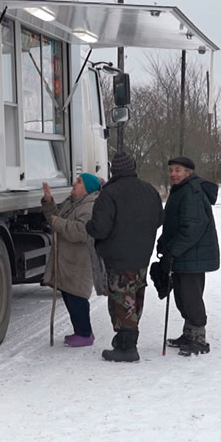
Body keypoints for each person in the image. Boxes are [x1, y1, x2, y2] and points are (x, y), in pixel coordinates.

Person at [85, 151, 163, 362]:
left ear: (114, 170)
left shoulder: (109, 194)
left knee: (122, 300)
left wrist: (89, 226)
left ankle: (127, 348)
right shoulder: (149, 190)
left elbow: (100, 229)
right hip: (141, 256)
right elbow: (159, 219)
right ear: (133, 167)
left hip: (118, 257)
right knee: (136, 297)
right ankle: (124, 340)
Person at [157, 156, 220, 357]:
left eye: (178, 170)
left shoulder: (191, 191)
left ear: (188, 172)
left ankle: (199, 339)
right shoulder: (182, 190)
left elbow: (193, 227)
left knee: (191, 297)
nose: (173, 174)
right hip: (184, 254)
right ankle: (189, 334)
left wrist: (173, 249)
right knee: (182, 296)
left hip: (191, 255)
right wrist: (164, 243)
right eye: (171, 171)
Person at [41, 173, 106, 347]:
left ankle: (84, 334)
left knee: (77, 297)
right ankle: (82, 332)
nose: (74, 184)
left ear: (87, 188)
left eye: (78, 182)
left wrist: (59, 223)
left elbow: (82, 231)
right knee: (70, 296)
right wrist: (48, 201)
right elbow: (54, 218)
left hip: (78, 263)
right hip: (67, 261)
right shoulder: (72, 202)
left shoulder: (90, 206)